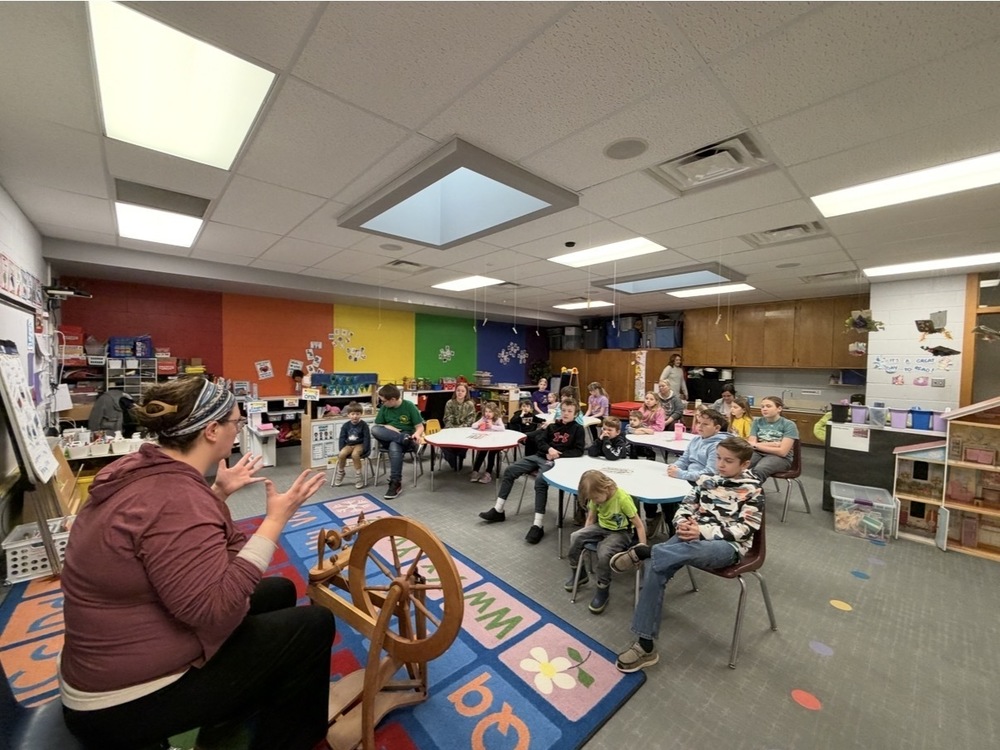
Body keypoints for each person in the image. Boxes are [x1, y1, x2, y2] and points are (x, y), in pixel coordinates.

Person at [59, 377, 334, 750]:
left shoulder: (143, 469)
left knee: (279, 590)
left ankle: (240, 707)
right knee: (314, 624)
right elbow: (215, 608)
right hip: (121, 702)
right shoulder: (177, 497)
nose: (239, 429)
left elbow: (177, 543)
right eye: (236, 422)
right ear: (211, 430)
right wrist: (274, 521)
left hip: (108, 662)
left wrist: (217, 494)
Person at [609, 436, 763, 673]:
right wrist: (682, 523)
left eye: (728, 461)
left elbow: (745, 529)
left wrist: (700, 530)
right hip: (690, 536)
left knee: (658, 558)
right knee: (656, 568)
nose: (721, 464)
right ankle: (645, 645)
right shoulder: (708, 480)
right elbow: (686, 505)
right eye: (719, 458)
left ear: (745, 464)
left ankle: (647, 551)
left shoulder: (753, 490)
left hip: (725, 546)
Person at [478, 398, 585, 544]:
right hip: (540, 456)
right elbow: (540, 441)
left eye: (569, 411)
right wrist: (548, 449)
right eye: (563, 410)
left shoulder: (578, 429)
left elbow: (578, 451)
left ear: (575, 414)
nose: (566, 414)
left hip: (556, 461)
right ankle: (498, 510)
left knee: (541, 481)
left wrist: (557, 454)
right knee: (510, 470)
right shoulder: (552, 426)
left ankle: (538, 524)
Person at [565, 470, 647, 615]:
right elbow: (591, 519)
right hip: (601, 527)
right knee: (575, 536)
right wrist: (585, 536)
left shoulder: (622, 499)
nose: (595, 501)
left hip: (621, 532)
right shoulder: (595, 497)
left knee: (604, 552)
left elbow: (639, 525)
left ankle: (603, 588)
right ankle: (580, 574)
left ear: (606, 487)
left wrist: (642, 548)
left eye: (596, 498)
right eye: (592, 499)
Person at [371, 383, 425, 500]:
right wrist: (393, 430)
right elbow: (379, 424)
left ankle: (395, 482)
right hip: (391, 434)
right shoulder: (385, 408)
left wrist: (416, 434)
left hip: (405, 433)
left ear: (393, 400)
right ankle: (405, 440)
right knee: (374, 429)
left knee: (394, 445)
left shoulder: (409, 406)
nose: (382, 403)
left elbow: (420, 426)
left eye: (384, 401)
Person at [748, 395, 798, 481]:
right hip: (758, 453)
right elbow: (751, 444)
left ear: (779, 409)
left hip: (781, 458)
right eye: (762, 406)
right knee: (739, 465)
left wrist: (756, 445)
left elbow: (782, 452)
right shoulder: (757, 422)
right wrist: (775, 444)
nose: (764, 409)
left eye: (768, 406)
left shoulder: (789, 424)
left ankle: (752, 492)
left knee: (759, 470)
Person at [333, 401, 371, 489]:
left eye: (357, 414)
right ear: (348, 415)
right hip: (349, 445)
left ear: (361, 414)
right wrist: (341, 448)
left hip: (359, 444)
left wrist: (365, 449)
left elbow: (367, 438)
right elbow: (342, 437)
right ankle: (341, 471)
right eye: (353, 414)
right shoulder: (346, 425)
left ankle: (358, 474)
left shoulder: (364, 425)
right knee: (341, 454)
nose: (355, 416)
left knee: (355, 454)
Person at [441, 382, 476, 471]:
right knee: (442, 441)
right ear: (455, 392)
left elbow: (470, 421)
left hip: (464, 430)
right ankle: (452, 458)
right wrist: (453, 430)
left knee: (465, 441)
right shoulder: (449, 403)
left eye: (462, 391)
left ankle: (459, 457)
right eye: (458, 390)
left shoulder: (470, 404)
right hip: (450, 429)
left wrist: (460, 429)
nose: (460, 393)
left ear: (466, 393)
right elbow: (446, 418)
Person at [469, 401, 506, 483]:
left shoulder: (497, 419)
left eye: (490, 412)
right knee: (482, 452)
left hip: (496, 443)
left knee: (491, 454)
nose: (487, 414)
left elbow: (502, 428)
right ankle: (475, 471)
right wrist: (479, 424)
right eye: (486, 411)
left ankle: (488, 473)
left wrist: (492, 426)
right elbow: (473, 425)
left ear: (494, 412)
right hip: (486, 441)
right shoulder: (483, 418)